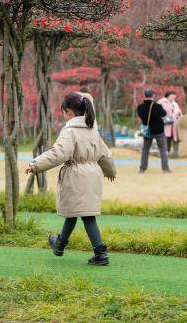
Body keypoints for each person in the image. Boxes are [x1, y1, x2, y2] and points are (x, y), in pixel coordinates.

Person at [25, 92, 116, 265]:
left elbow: (59, 153)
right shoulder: (92, 129)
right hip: (93, 174)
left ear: (68, 111)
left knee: (84, 215)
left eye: (63, 112)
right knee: (75, 212)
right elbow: (105, 153)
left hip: (76, 176)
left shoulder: (70, 131)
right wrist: (110, 171)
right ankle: (59, 244)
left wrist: (35, 164)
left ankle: (100, 253)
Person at [137, 89, 171, 173]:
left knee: (145, 150)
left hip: (147, 131)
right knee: (163, 149)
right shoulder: (157, 106)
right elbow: (164, 114)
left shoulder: (140, 107)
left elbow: (140, 116)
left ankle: (142, 168)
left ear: (144, 96)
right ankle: (165, 168)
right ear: (153, 96)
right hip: (159, 131)